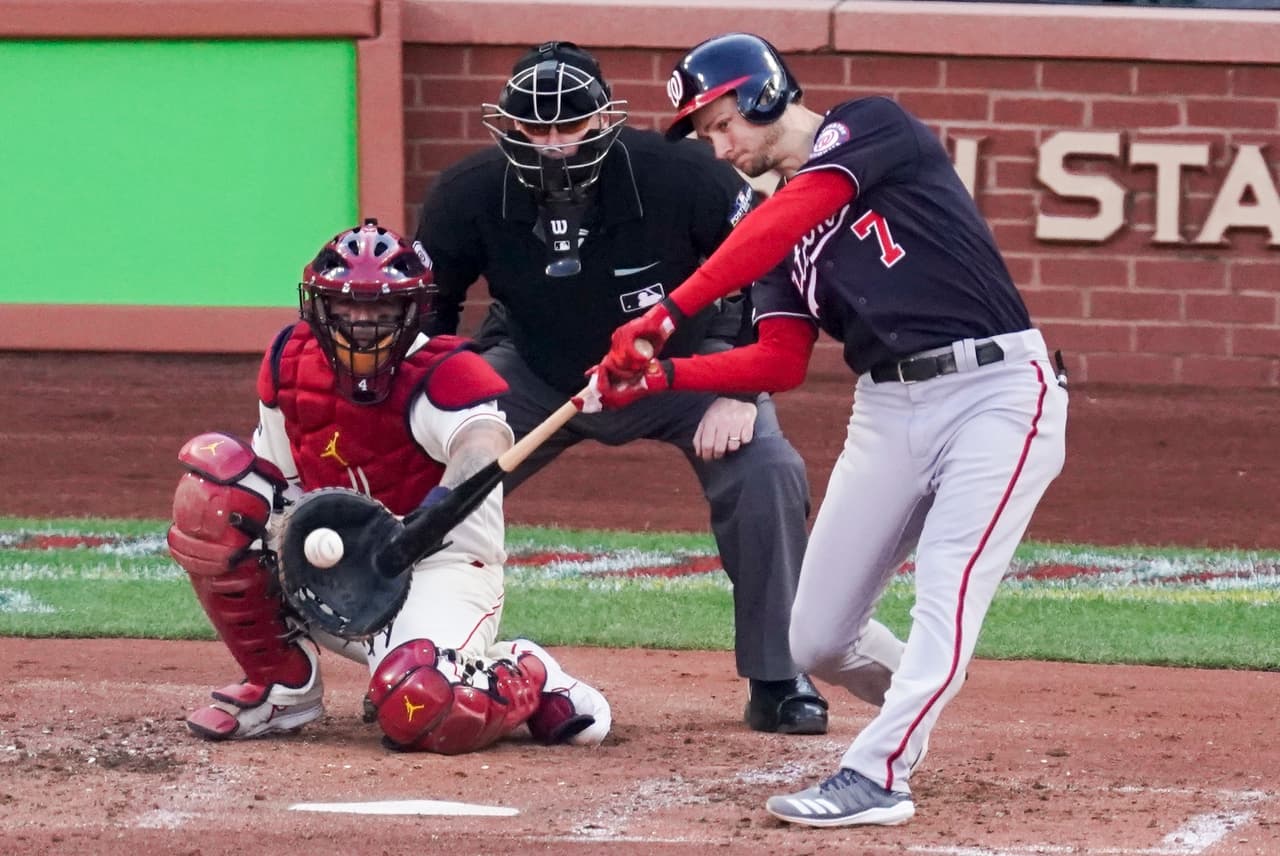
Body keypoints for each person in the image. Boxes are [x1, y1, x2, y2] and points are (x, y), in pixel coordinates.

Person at [592, 33, 1069, 826]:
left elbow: (800, 211)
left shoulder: (869, 128)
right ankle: (916, 706)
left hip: (996, 394)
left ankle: (881, 771)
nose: (719, 147)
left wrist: (669, 314)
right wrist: (663, 376)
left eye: (721, 123)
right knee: (814, 639)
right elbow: (778, 360)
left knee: (945, 594)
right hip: (886, 409)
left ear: (767, 91)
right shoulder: (772, 228)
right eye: (706, 135)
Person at [414, 40, 832, 735]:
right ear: (508, 127)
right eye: (536, 129)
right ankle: (411, 658)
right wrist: (442, 411)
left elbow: (767, 272)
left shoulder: (682, 172)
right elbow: (431, 318)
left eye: (569, 126)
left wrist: (741, 383)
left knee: (767, 468)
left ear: (604, 120)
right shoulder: (467, 192)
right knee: (430, 463)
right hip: (535, 369)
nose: (552, 145)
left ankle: (777, 673)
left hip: (683, 367)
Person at [166, 219, 610, 754]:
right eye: (348, 307)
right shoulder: (290, 362)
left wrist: (430, 518)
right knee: (215, 496)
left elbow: (483, 443)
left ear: (412, 311)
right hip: (334, 571)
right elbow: (274, 480)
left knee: (418, 703)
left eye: (381, 310)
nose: (362, 324)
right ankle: (283, 687)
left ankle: (525, 673)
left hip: (438, 570)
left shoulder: (445, 371)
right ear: (319, 306)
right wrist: (282, 540)